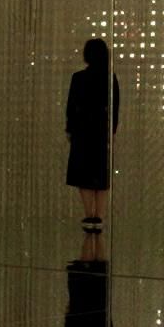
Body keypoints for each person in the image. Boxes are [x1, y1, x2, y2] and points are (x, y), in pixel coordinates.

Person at [65, 37, 118, 230]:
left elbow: (71, 107)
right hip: (101, 131)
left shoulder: (78, 78)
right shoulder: (110, 78)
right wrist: (112, 131)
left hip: (82, 131)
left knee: (84, 173)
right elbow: (115, 108)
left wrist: (70, 129)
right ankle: (99, 216)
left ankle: (89, 215)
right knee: (101, 174)